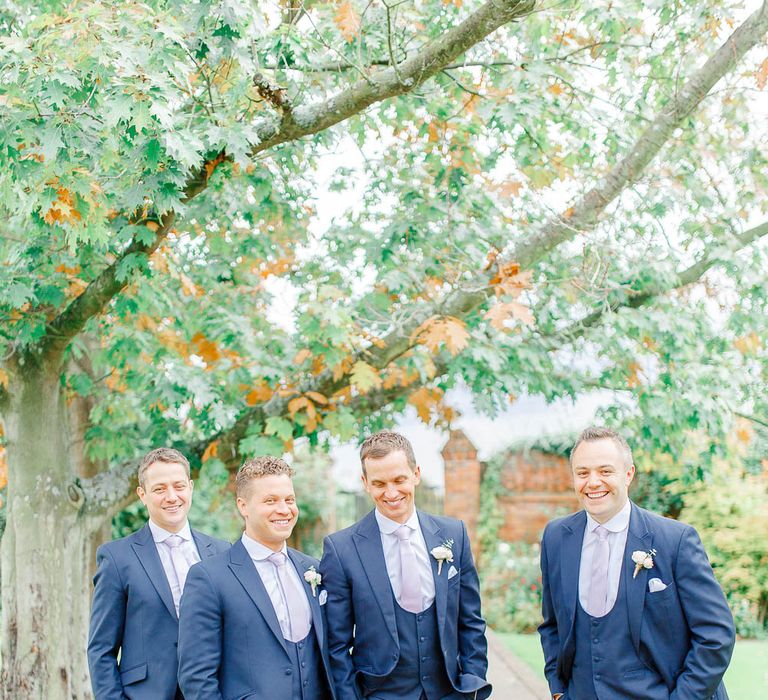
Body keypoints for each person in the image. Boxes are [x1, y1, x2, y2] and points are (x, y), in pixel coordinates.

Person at [538, 426, 736, 700]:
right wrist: (558, 688)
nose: (593, 482)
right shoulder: (556, 537)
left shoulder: (674, 540)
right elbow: (552, 625)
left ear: (628, 474)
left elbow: (716, 635)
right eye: (583, 473)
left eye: (605, 471)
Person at [320, 430, 491, 700]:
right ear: (365, 483)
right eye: (379, 483)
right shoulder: (341, 550)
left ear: (416, 474)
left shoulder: (453, 535)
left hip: (449, 691)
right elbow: (336, 645)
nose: (391, 493)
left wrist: (472, 682)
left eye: (399, 480)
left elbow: (470, 622)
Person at [177, 456, 335, 700]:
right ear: (243, 506)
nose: (284, 509)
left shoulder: (312, 569)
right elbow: (197, 677)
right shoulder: (209, 577)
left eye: (289, 500)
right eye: (270, 500)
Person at [87, 447, 230, 699]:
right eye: (159, 489)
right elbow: (101, 650)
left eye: (179, 486)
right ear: (142, 495)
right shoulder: (117, 558)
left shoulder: (221, 552)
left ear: (191, 487)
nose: (172, 496)